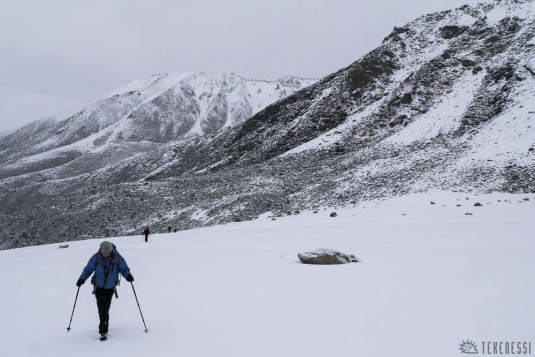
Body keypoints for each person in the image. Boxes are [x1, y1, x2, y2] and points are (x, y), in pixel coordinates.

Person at [76, 241, 134, 340]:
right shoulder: (96, 258)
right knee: (102, 308)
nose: (106, 254)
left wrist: (128, 276)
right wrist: (82, 279)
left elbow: (124, 268)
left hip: (111, 287)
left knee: (106, 307)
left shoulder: (117, 258)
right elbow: (88, 269)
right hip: (98, 287)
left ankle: (104, 321)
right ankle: (103, 331)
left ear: (111, 250)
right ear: (101, 250)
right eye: (104, 252)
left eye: (108, 252)